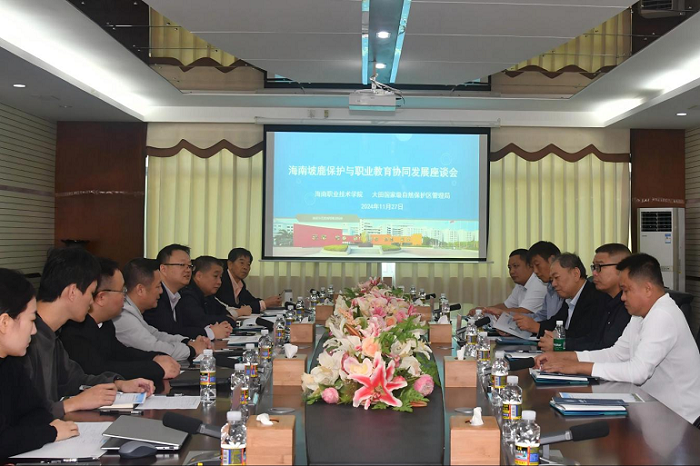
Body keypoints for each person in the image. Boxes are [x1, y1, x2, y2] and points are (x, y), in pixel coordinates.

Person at [536, 253, 700, 425]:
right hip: (653, 410)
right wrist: (563, 357)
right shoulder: (640, 315)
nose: (622, 297)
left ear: (647, 289)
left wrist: (577, 367)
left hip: (681, 421)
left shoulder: (663, 315)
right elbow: (616, 354)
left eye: (626, 290)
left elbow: (638, 372)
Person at [20, 248, 154, 418]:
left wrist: (119, 384)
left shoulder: (52, 336)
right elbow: (22, 412)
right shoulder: (23, 341)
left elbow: (75, 379)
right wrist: (72, 403)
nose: (91, 301)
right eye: (91, 293)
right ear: (72, 292)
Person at [60, 258, 181, 381]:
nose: (125, 296)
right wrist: (155, 368)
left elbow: (120, 352)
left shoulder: (106, 323)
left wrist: (155, 357)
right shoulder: (73, 330)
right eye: (123, 290)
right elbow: (97, 369)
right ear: (101, 297)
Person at [0, 269, 79, 458]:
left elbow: (38, 413)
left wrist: (24, 435)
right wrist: (49, 433)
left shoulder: (10, 363)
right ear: (5, 322)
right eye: (31, 320)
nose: (34, 331)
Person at [113, 258, 210, 362]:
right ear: (140, 290)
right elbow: (154, 348)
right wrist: (192, 350)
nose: (161, 291)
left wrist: (188, 342)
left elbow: (156, 335)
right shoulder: (123, 316)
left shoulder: (132, 311)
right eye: (158, 286)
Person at [538, 243, 631, 352]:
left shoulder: (629, 305)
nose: (594, 273)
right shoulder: (606, 301)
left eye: (599, 267)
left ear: (622, 268)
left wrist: (561, 344)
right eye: (594, 267)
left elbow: (606, 348)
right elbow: (592, 339)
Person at [143, 244, 231, 340]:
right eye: (182, 265)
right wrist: (210, 333)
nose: (188, 270)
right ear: (163, 269)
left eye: (189, 266)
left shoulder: (177, 295)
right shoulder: (155, 295)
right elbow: (168, 332)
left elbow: (185, 327)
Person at [529, 253, 609, 342]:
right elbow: (554, 324)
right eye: (552, 280)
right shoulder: (569, 299)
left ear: (575, 274)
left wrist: (539, 328)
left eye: (556, 277)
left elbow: (582, 336)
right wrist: (534, 326)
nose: (553, 284)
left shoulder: (595, 297)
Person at [474, 249, 547, 317]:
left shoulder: (539, 283)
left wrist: (494, 311)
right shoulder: (520, 284)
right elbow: (506, 306)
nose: (511, 271)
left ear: (530, 266)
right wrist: (484, 309)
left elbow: (523, 312)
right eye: (509, 268)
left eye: (516, 266)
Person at [512, 241, 563, 333]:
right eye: (532, 267)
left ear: (552, 260)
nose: (535, 271)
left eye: (537, 265)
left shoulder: (565, 290)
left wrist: (536, 327)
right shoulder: (550, 288)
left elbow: (557, 323)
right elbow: (541, 316)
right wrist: (512, 320)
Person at [217, 247, 281, 314]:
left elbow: (249, 301)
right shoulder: (221, 281)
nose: (245, 267)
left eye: (248, 264)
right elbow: (234, 307)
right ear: (230, 264)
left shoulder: (240, 284)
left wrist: (269, 302)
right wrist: (264, 303)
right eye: (242, 263)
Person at [178, 256, 237, 328]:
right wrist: (227, 319)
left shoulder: (208, 295)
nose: (219, 282)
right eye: (215, 276)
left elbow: (224, 313)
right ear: (199, 276)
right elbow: (201, 321)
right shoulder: (187, 295)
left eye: (220, 277)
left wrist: (227, 319)